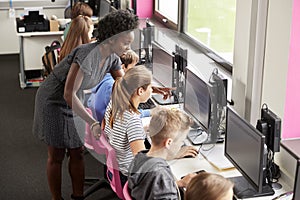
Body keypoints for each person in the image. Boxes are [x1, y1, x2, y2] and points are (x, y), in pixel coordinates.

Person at [33, 10, 139, 200]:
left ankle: (78, 196)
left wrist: (150, 89)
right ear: (111, 39)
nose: (128, 47)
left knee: (78, 151)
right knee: (56, 154)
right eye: (126, 43)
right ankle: (57, 198)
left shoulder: (113, 58)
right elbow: (68, 94)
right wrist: (93, 122)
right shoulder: (86, 54)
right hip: (53, 101)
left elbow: (123, 85)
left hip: (75, 101)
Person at [128, 107, 198, 199]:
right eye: (181, 142)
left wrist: (178, 184)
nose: (181, 145)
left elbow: (150, 189)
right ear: (168, 143)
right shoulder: (160, 174)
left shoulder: (139, 158)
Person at [87, 49, 145, 124]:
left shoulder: (103, 78)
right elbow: (124, 116)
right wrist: (150, 112)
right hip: (105, 128)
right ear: (123, 67)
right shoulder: (112, 86)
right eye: (133, 67)